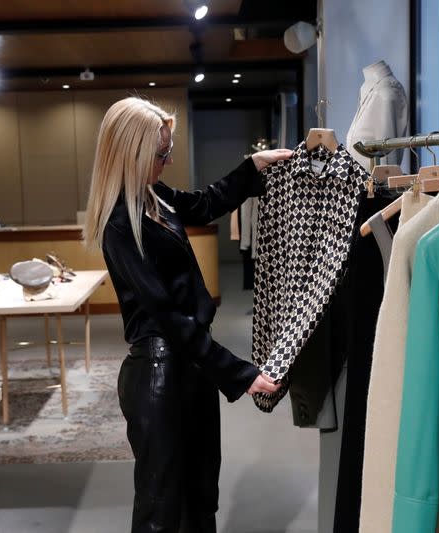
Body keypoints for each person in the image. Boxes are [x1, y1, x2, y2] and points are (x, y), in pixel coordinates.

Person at [83, 96, 291, 532]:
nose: (169, 159)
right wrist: (235, 372)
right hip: (160, 374)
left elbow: (202, 204)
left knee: (200, 494)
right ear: (132, 154)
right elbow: (164, 316)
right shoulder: (120, 223)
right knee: (162, 507)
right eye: (161, 154)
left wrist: (253, 166)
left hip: (186, 366)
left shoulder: (152, 196)